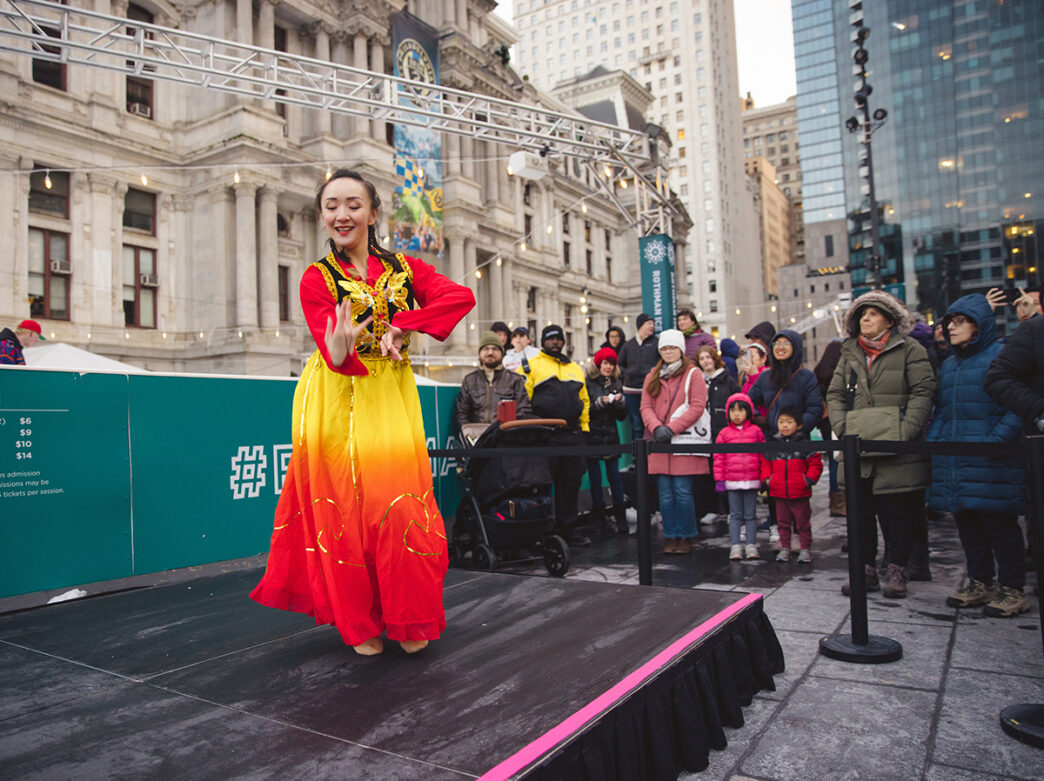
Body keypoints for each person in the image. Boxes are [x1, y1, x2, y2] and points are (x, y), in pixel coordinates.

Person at [250, 169, 475, 657]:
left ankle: (408, 612)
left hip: (389, 393)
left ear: (374, 214)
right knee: (345, 511)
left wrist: (402, 325)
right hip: (334, 395)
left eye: (353, 204)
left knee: (400, 507)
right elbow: (330, 348)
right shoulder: (315, 277)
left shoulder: (405, 269)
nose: (341, 214)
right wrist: (337, 349)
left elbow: (459, 297)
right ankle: (358, 622)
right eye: (331, 205)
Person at [827, 290, 936, 599]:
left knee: (899, 512)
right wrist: (843, 426)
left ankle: (897, 569)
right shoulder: (848, 353)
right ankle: (864, 570)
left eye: (873, 314)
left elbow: (923, 390)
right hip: (858, 444)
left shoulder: (910, 349)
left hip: (898, 447)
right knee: (860, 513)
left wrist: (907, 429)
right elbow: (834, 394)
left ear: (889, 319)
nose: (866, 319)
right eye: (862, 315)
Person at [927, 294, 1029, 617]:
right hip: (958, 457)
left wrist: (995, 440)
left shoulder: (1002, 355)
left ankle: (1013, 588)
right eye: (949, 323)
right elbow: (942, 411)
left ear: (978, 325)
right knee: (967, 524)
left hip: (992, 457)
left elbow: (1018, 404)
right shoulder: (950, 364)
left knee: (1000, 525)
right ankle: (980, 582)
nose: (951, 328)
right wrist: (936, 443)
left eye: (959, 322)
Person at [518, 324, 591, 546]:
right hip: (545, 436)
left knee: (570, 484)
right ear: (543, 342)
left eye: (559, 339)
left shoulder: (576, 368)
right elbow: (524, 401)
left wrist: (585, 428)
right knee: (540, 484)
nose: (555, 343)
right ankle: (543, 531)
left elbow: (585, 401)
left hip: (573, 434)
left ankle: (568, 528)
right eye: (551, 339)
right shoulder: (530, 367)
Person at [640, 329, 709, 554]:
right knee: (665, 494)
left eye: (672, 348)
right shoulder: (653, 375)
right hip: (660, 442)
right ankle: (671, 535)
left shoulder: (693, 373)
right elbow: (645, 406)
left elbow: (698, 406)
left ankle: (686, 535)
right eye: (665, 348)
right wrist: (655, 427)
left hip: (682, 441)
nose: (668, 352)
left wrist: (671, 428)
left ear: (680, 349)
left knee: (682, 491)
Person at [761, 407, 823, 563]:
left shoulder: (805, 444)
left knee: (802, 523)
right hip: (778, 492)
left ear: (799, 425)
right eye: (781, 422)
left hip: (800, 491)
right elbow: (766, 464)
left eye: (789, 422)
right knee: (782, 523)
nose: (785, 426)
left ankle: (805, 549)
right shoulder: (774, 444)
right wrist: (768, 480)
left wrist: (808, 480)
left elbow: (816, 464)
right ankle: (785, 548)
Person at [714, 393, 766, 561]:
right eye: (733, 411)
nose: (736, 414)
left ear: (748, 412)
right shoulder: (724, 433)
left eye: (741, 410)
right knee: (735, 515)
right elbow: (719, 458)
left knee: (751, 515)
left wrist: (764, 476)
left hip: (752, 479)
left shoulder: (756, 432)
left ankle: (751, 545)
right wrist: (720, 480)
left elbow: (763, 456)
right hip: (732, 481)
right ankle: (735, 545)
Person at [454, 331, 532, 438]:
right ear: (479, 354)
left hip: (506, 439)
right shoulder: (469, 380)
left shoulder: (514, 379)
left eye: (495, 349)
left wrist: (511, 433)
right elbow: (461, 413)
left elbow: (523, 411)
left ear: (502, 353)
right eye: (486, 349)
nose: (490, 353)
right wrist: (469, 435)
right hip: (477, 441)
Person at [585, 346, 629, 534]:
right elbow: (585, 410)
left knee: (615, 478)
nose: (608, 367)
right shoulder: (589, 383)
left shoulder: (617, 384)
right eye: (605, 363)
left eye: (611, 363)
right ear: (598, 364)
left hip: (611, 437)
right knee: (595, 480)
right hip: (593, 436)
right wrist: (598, 404)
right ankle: (600, 518)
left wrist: (620, 404)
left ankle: (621, 519)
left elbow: (621, 417)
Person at [746, 329, 823, 436]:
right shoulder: (765, 377)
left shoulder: (807, 377)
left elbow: (815, 409)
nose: (780, 347)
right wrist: (757, 418)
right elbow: (747, 402)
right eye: (776, 343)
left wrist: (798, 427)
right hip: (771, 441)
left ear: (796, 347)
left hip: (799, 442)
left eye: (786, 343)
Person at [697, 345, 739, 521]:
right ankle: (714, 509)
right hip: (702, 434)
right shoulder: (697, 381)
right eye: (702, 358)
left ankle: (730, 510)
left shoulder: (727, 381)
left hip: (723, 432)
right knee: (708, 473)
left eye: (708, 357)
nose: (706, 361)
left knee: (727, 472)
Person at [812, 339, 845, 517]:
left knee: (833, 460)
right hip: (838, 418)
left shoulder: (819, 371)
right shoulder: (839, 372)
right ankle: (841, 501)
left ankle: (836, 500)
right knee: (840, 459)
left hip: (825, 421)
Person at [618, 313, 659, 441]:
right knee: (636, 423)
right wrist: (627, 373)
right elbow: (620, 364)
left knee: (651, 422)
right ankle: (638, 457)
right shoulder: (628, 345)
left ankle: (652, 454)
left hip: (651, 390)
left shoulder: (657, 343)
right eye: (648, 323)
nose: (652, 326)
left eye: (652, 323)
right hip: (631, 391)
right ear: (640, 326)